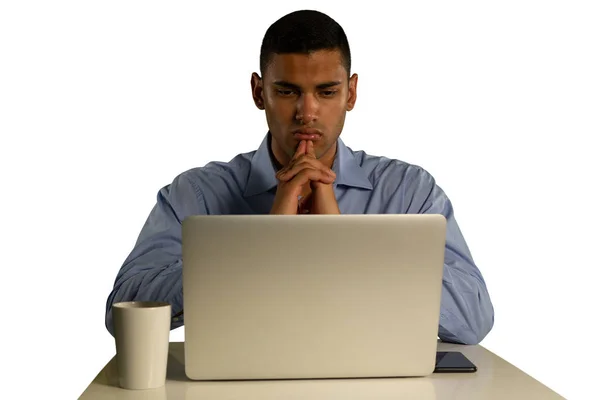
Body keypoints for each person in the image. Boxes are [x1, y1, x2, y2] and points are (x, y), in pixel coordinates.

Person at [105, 9, 494, 345]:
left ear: (351, 93)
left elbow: (474, 317)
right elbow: (122, 308)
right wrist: (261, 244)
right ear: (259, 93)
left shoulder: (409, 190)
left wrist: (344, 242)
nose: (307, 113)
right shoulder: (196, 193)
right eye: (288, 91)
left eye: (326, 92)